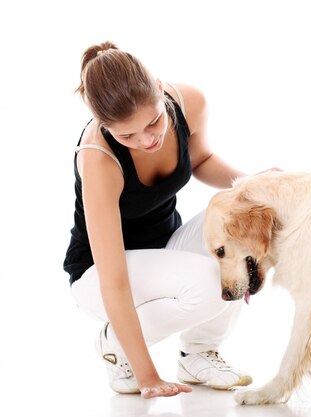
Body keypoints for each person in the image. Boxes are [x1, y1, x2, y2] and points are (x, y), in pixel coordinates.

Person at [64, 41, 272, 399]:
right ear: (104, 124)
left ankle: (198, 354)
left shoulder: (190, 102)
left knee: (245, 222)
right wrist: (147, 376)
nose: (147, 140)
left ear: (160, 89)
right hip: (98, 276)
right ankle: (115, 344)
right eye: (127, 135)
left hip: (166, 248)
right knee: (211, 282)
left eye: (154, 121)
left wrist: (254, 184)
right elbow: (113, 282)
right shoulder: (98, 159)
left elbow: (202, 159)